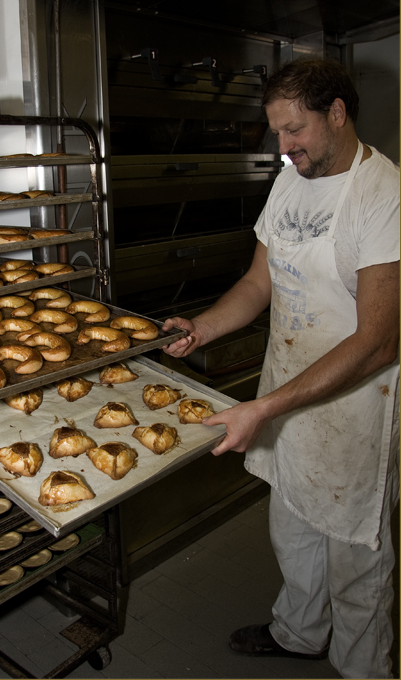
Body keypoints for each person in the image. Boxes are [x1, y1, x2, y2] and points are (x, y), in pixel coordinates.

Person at [162, 58, 400, 679]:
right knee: (292, 523)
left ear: (338, 113)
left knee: (355, 557)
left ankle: (362, 669)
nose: (284, 146)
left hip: (356, 404)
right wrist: (204, 327)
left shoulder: (385, 196)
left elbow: (379, 341)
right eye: (276, 134)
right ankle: (299, 632)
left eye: (294, 130)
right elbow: (257, 281)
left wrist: (262, 407)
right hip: (287, 386)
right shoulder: (290, 180)